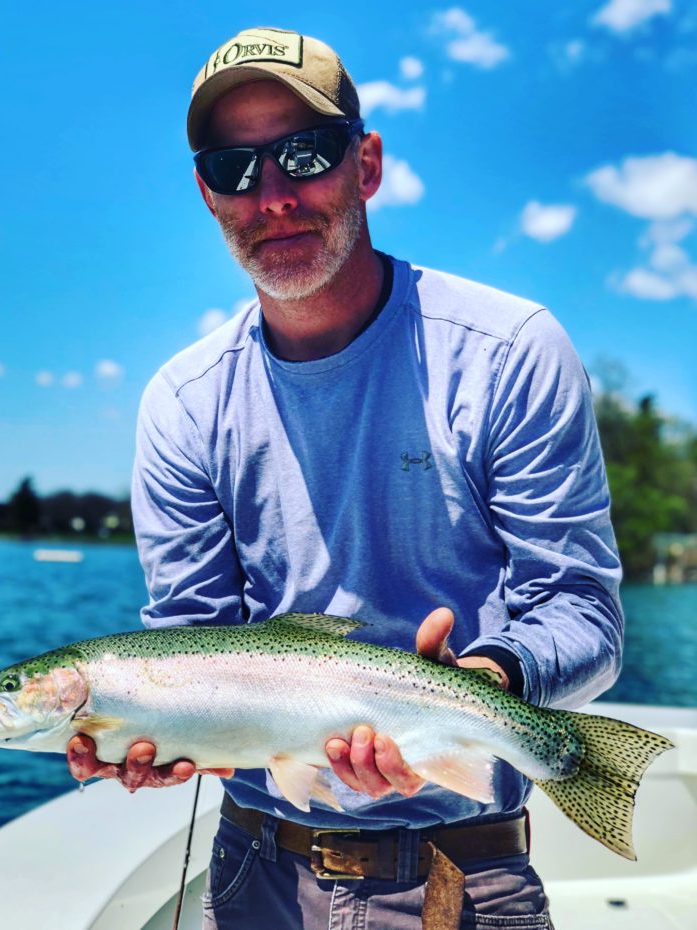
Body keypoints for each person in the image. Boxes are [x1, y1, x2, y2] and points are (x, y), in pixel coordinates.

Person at [67, 26, 624, 930]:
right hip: (254, 873)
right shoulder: (180, 403)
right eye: (234, 168)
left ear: (365, 163)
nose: (273, 196)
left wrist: (486, 679)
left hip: (464, 876)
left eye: (305, 152)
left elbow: (582, 611)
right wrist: (159, 737)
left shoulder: (513, 351)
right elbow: (195, 640)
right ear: (206, 193)